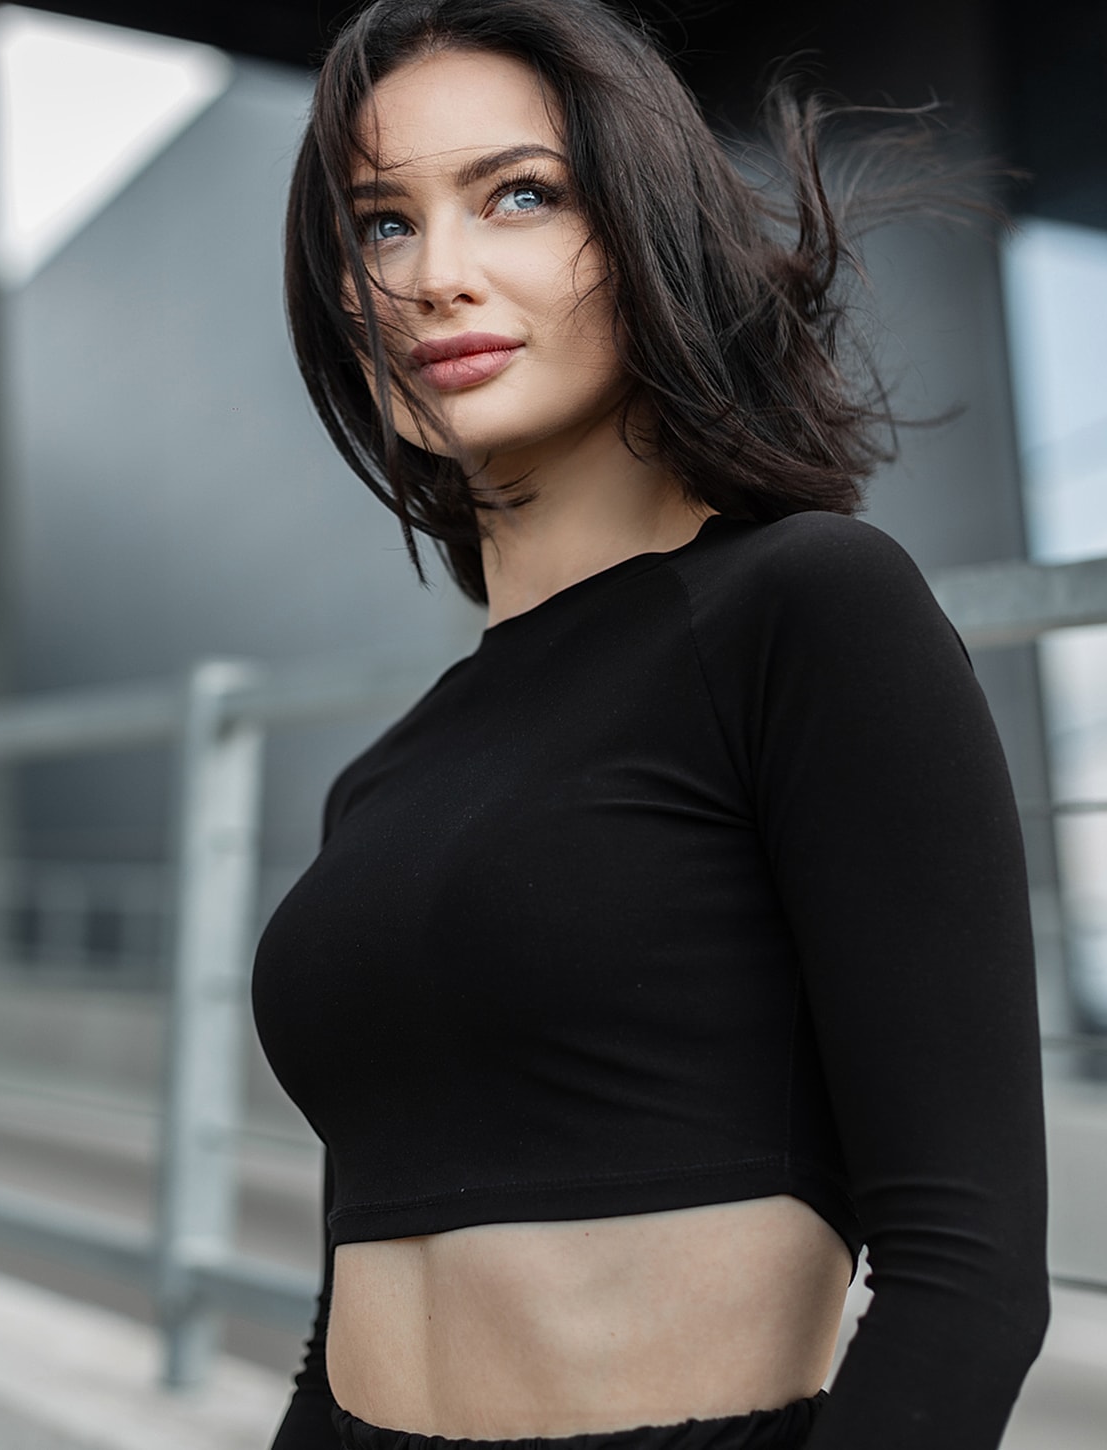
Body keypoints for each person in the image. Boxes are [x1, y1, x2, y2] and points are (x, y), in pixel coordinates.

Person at [250, 1, 1050, 1447]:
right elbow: (354, 1279)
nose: (436, 275)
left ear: (644, 220)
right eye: (381, 225)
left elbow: (968, 1283)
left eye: (520, 195)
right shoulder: (386, 775)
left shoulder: (810, 610)